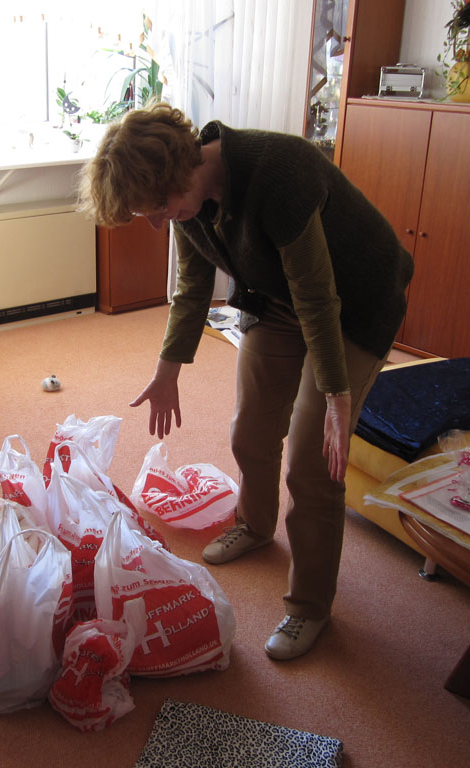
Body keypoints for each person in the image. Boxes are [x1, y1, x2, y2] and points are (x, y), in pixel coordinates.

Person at [79, 103, 413, 660]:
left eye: (156, 209)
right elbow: (192, 287)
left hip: (354, 304)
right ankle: (255, 525)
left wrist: (337, 395)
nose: (159, 222)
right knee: (250, 431)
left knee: (311, 460)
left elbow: (318, 297)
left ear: (177, 172)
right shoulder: (186, 203)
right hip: (276, 298)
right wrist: (167, 371)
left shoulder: (279, 172)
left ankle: (310, 606)